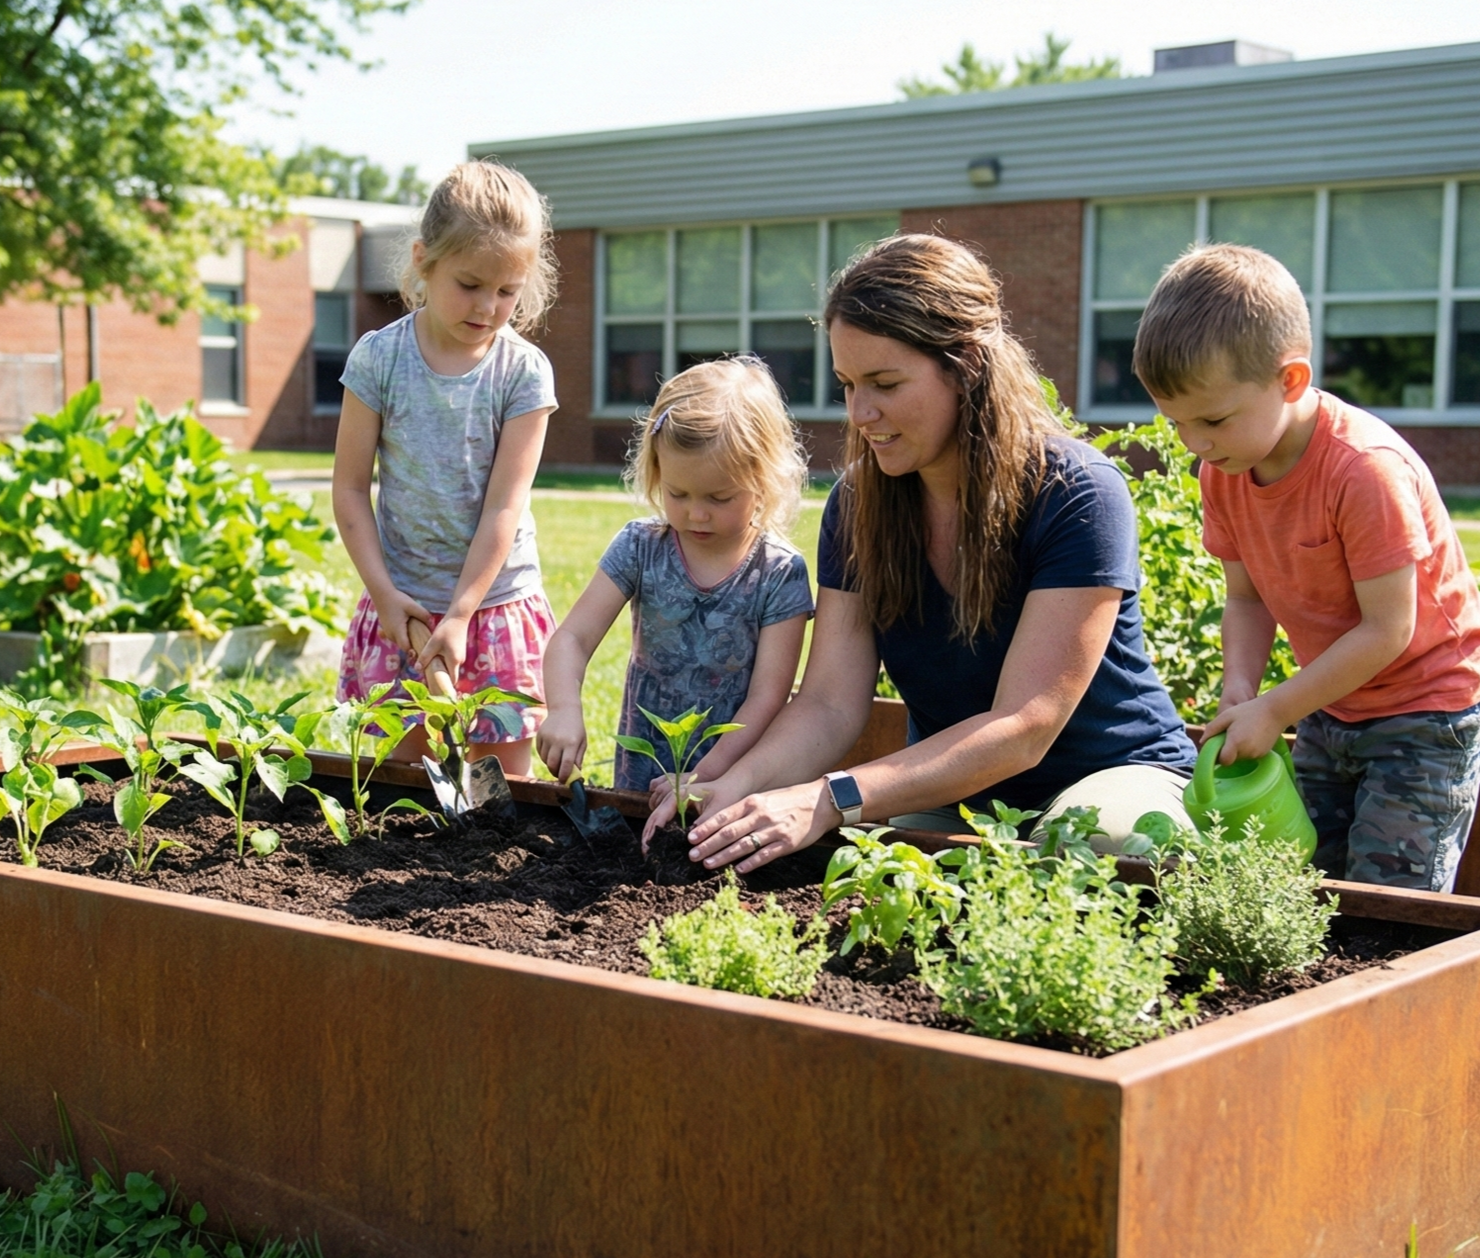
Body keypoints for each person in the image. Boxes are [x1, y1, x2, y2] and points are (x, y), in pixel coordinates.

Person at [678, 234, 1198, 871]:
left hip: (1111, 775)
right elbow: (829, 704)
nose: (860, 412)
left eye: (885, 383)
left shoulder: (1077, 493)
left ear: (967, 366)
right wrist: (734, 786)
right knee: (871, 874)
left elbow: (1025, 726)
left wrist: (829, 797)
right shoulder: (859, 504)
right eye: (847, 384)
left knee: (1088, 850)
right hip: (959, 793)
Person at [1133, 243, 1480, 891]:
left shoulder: (1364, 471)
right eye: (1177, 424)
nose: (1196, 443)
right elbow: (1247, 599)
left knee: (1391, 897)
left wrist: (1277, 709)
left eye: (1213, 419)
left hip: (1427, 710)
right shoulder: (1226, 468)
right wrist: (1243, 689)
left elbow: (1388, 629)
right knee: (1312, 881)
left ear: (1291, 380)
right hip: (1332, 699)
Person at [331, 161, 560, 773]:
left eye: (507, 291)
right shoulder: (379, 359)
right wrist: (385, 595)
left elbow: (504, 507)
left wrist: (460, 613)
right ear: (423, 262)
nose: (488, 306)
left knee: (499, 792)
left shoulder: (523, 372)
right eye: (470, 283)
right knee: (403, 789)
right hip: (401, 608)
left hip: (493, 607)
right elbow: (349, 489)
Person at [537, 359, 815, 813]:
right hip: (640, 779)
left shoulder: (779, 572)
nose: (696, 514)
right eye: (677, 493)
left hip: (728, 785)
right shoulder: (641, 547)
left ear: (764, 479)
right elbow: (573, 637)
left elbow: (768, 697)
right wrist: (564, 708)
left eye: (720, 497)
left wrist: (703, 777)